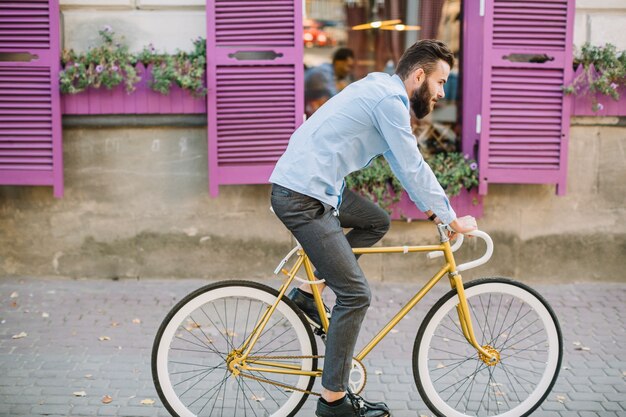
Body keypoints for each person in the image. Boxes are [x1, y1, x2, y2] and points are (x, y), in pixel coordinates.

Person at [269, 39, 477, 417]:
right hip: (304, 196)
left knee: (375, 221)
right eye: (441, 82)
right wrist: (451, 217)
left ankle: (306, 293)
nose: (443, 92)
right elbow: (413, 165)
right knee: (355, 296)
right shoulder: (388, 101)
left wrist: (433, 214)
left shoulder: (380, 88)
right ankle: (333, 401)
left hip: (317, 186)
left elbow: (401, 165)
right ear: (418, 76)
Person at [304, 47, 355, 113]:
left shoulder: (330, 72)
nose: (349, 70)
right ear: (338, 62)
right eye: (348, 66)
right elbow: (334, 97)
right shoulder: (324, 72)